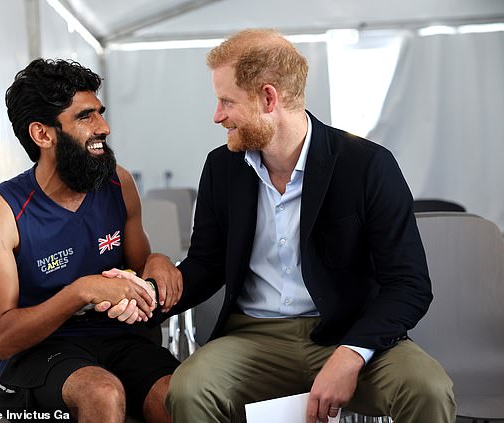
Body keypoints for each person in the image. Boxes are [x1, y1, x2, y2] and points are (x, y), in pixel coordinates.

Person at [140, 29, 456, 422]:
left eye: (226, 101)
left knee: (428, 388)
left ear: (268, 98)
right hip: (253, 337)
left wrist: (351, 353)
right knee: (189, 388)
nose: (217, 115)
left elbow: (409, 285)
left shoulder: (368, 165)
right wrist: (150, 297)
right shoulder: (221, 168)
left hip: (347, 331)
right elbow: (206, 264)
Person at [0, 58, 181, 423]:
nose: (104, 127)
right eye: (86, 117)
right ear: (43, 135)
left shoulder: (119, 183)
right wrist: (82, 291)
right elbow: (2, 337)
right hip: (42, 352)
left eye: (100, 112)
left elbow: (139, 265)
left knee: (176, 397)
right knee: (102, 393)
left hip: (121, 341)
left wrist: (158, 262)